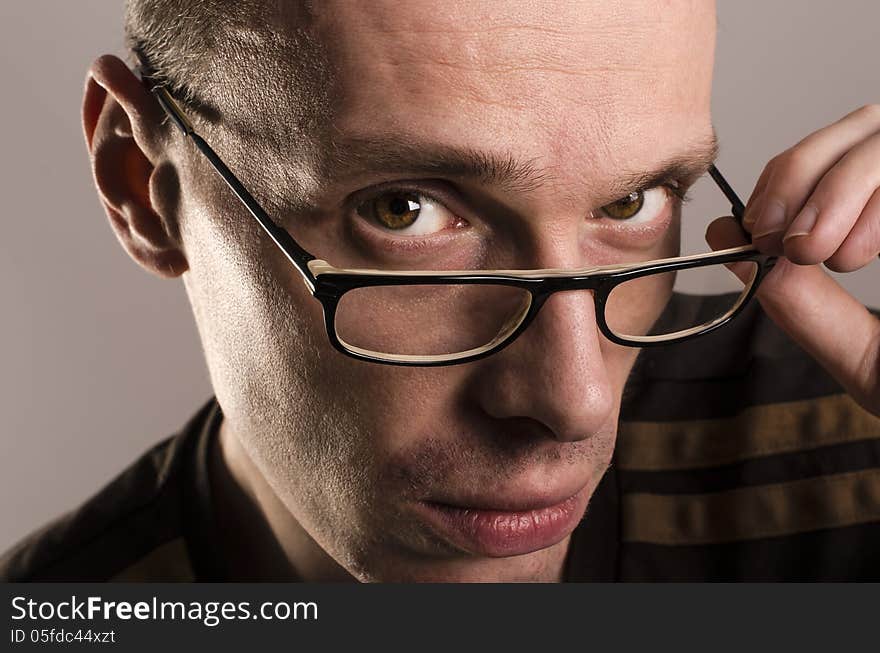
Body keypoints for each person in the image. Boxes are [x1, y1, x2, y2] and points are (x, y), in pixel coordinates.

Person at [3, 0, 880, 582]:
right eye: (405, 209)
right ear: (143, 184)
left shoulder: (854, 446)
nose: (572, 402)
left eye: (629, 201)